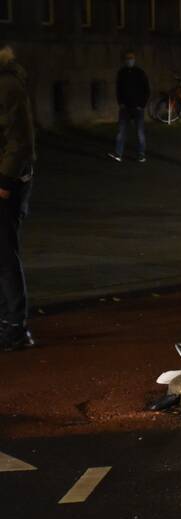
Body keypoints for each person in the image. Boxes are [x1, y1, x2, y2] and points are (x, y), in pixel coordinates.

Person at [0, 41, 36, 351]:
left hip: (7, 181)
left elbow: (19, 139)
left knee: (4, 253)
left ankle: (15, 327)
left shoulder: (8, 86)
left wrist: (4, 181)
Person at [110, 50, 149, 163]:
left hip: (137, 107)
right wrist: (121, 103)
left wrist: (141, 105)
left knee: (139, 132)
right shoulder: (121, 73)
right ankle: (118, 154)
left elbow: (146, 90)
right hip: (125, 107)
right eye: (127, 58)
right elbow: (119, 89)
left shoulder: (140, 72)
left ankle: (141, 154)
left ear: (134, 59)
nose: (129, 60)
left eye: (131, 58)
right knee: (121, 131)